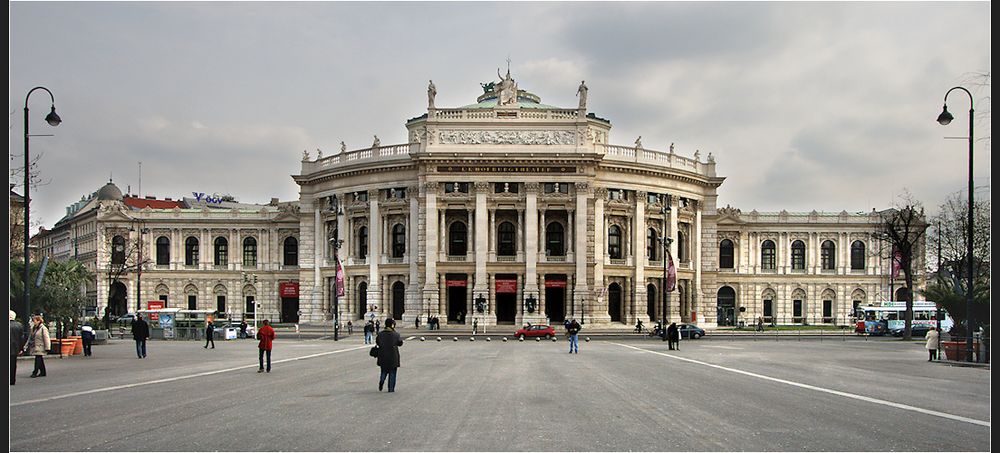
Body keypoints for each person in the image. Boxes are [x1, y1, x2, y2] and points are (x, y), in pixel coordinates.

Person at [375, 318, 404, 392]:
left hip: (383, 355)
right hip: (393, 356)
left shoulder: (380, 334)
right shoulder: (396, 334)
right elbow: (400, 343)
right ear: (392, 325)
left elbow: (377, 342)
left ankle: (382, 380)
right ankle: (391, 388)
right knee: (392, 372)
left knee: (384, 371)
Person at [10, 310, 25, 385]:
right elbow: (21, 338)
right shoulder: (19, 325)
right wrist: (21, 348)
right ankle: (12, 380)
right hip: (14, 348)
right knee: (13, 364)